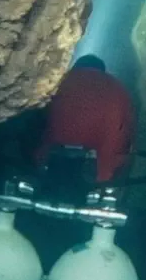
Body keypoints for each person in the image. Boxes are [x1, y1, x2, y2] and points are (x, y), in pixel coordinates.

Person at [31, 53, 136, 184]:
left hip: (42, 163)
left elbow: (33, 118)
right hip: (98, 174)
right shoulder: (120, 90)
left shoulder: (57, 81)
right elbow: (128, 135)